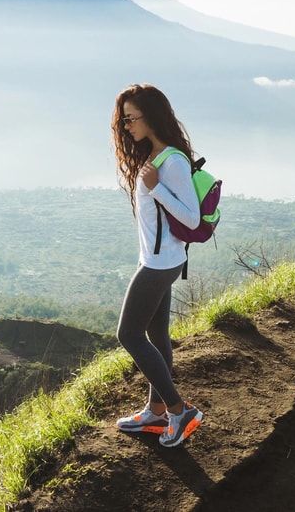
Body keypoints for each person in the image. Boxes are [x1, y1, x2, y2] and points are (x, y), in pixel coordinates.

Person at [110, 83, 205, 448]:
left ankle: (180, 411)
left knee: (128, 334)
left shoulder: (173, 161)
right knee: (156, 334)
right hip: (159, 259)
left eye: (131, 118)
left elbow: (192, 219)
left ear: (151, 116)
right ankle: (156, 411)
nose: (127, 126)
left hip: (159, 264)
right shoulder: (157, 156)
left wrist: (156, 188)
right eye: (124, 121)